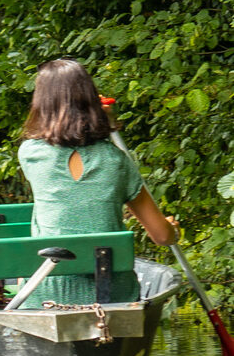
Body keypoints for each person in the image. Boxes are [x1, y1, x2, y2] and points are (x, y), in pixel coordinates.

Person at [18, 58, 179, 304]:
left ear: (42, 104)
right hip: (113, 295)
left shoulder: (31, 154)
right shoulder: (117, 161)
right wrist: (173, 230)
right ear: (91, 99)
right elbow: (162, 237)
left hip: (46, 293)